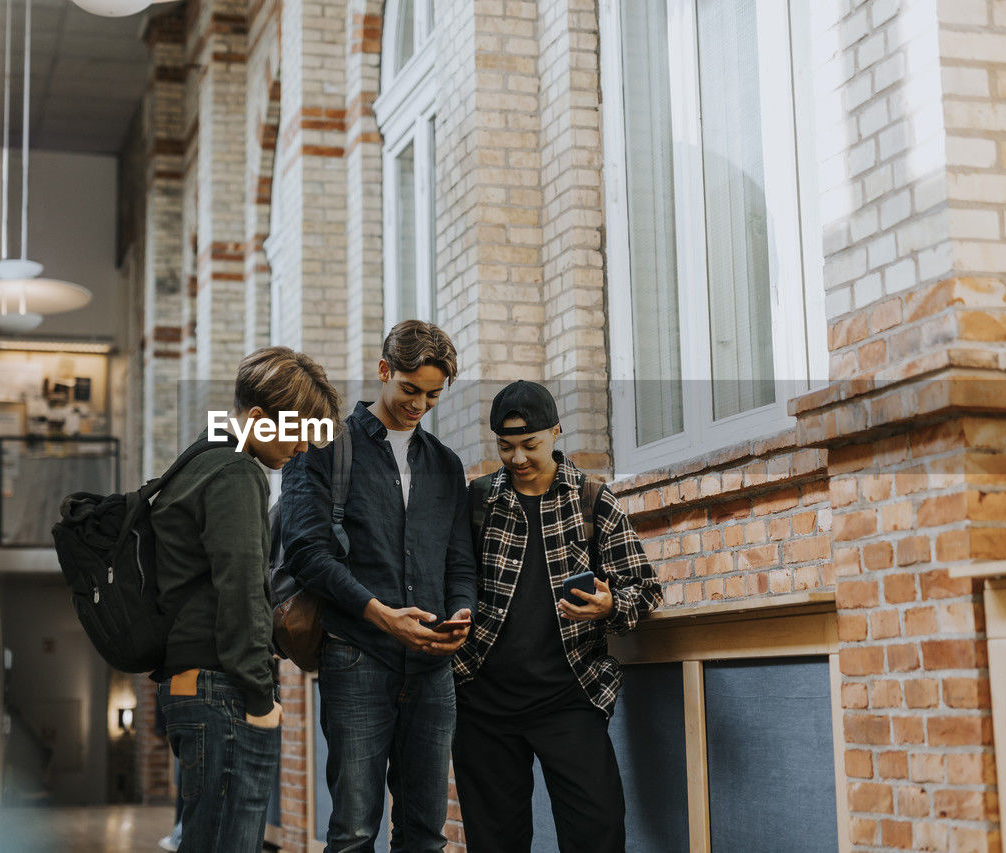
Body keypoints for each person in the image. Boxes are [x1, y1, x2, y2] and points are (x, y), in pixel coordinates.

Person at [280, 320, 477, 852]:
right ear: (384, 370)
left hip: (433, 668)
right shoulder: (324, 448)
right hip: (357, 657)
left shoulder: (445, 464)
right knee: (353, 831)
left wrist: (462, 613)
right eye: (410, 389)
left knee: (426, 834)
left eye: (434, 395)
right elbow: (305, 553)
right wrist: (379, 614)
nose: (420, 405)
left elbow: (460, 562)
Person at [452, 380, 662, 853]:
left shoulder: (591, 500)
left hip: (571, 698)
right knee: (495, 843)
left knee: (597, 834)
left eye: (531, 445)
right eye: (506, 447)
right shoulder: (479, 501)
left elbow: (646, 588)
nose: (518, 458)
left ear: (556, 432)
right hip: (483, 705)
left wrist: (612, 606)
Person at [152, 346, 341, 853]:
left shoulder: (200, 457)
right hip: (224, 692)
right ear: (257, 418)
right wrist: (262, 701)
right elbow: (240, 592)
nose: (302, 449)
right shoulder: (237, 474)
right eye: (297, 434)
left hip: (194, 685)